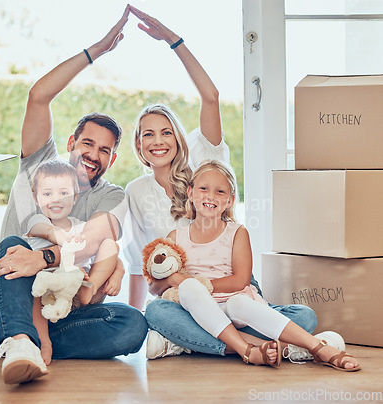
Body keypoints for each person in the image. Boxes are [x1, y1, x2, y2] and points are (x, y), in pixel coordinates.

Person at [0, 6, 148, 385]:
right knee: (12, 245)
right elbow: (39, 95)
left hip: (67, 303)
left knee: (133, 325)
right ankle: (21, 337)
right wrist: (98, 50)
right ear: (71, 142)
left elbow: (92, 242)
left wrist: (45, 258)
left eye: (104, 150)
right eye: (87, 142)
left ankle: (4, 338)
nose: (93, 154)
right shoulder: (40, 166)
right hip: (14, 289)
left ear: (113, 158)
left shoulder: (113, 196)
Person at [122, 5, 318, 359]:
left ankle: (194, 342)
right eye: (148, 135)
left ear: (180, 137)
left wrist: (173, 40)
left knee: (304, 315)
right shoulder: (136, 191)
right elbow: (139, 260)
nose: (158, 141)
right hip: (181, 294)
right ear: (139, 144)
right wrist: (138, 319)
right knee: (155, 313)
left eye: (166, 132)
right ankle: (251, 347)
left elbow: (210, 95)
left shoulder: (203, 162)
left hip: (230, 287)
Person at [159, 160, 360, 371]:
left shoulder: (237, 232)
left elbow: (240, 281)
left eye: (220, 191)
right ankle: (263, 349)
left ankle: (316, 348)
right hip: (199, 311)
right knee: (158, 310)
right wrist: (175, 280)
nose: (210, 196)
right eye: (203, 188)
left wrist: (196, 284)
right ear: (190, 193)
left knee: (302, 316)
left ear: (230, 200)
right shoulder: (176, 236)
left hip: (237, 309)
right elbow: (156, 286)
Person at [25, 160, 124, 365]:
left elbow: (108, 256)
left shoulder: (82, 228)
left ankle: (91, 288)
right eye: (47, 194)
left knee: (109, 243)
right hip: (48, 297)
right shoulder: (36, 222)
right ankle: (44, 340)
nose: (56, 200)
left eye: (63, 193)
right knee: (32, 284)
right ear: (35, 197)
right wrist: (60, 237)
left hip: (80, 294)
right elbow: (45, 231)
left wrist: (118, 273)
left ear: (75, 196)